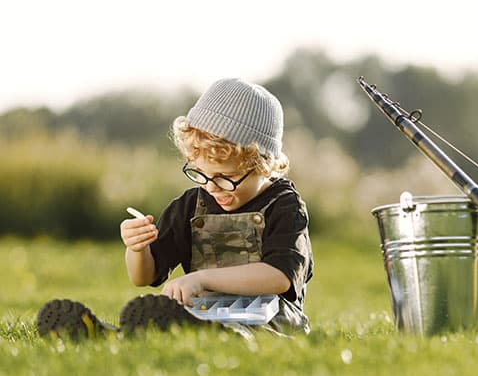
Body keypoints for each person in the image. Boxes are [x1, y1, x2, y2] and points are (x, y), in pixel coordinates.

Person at [36, 78, 313, 339]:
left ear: (263, 165)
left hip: (270, 316)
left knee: (233, 331)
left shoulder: (285, 205)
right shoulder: (190, 206)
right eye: (202, 174)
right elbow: (144, 276)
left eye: (226, 178)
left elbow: (279, 277)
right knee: (183, 322)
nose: (212, 188)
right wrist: (137, 248)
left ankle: (213, 334)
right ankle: (112, 334)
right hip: (204, 311)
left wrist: (201, 278)